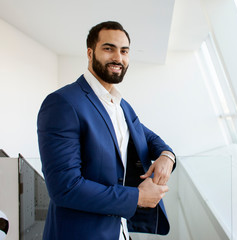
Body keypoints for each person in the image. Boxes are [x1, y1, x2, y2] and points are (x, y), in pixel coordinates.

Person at [37, 21, 176, 240]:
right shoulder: (63, 103)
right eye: (108, 48)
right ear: (90, 53)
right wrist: (137, 197)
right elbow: (65, 188)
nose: (118, 58)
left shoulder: (120, 105)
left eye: (124, 51)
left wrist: (167, 156)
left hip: (119, 231)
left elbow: (148, 138)